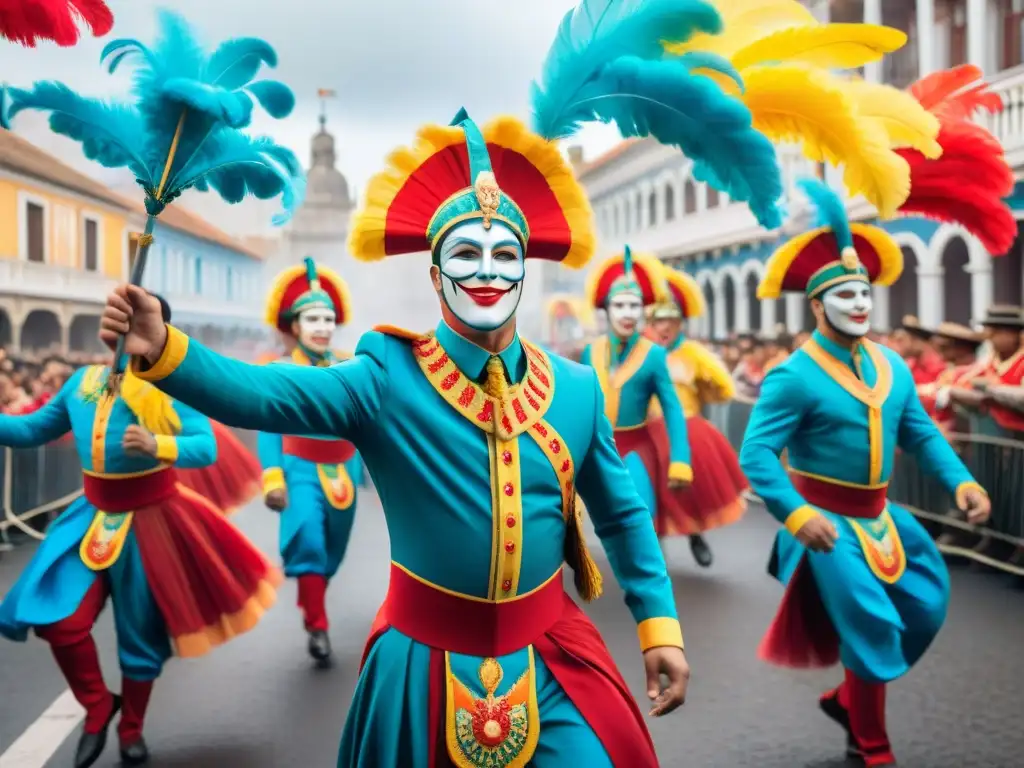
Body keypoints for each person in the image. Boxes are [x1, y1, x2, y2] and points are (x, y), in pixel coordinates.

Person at [101, 111, 691, 765]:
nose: (489, 271)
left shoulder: (577, 390)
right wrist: (164, 351)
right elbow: (266, 396)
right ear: (435, 275)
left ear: (524, 270)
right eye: (466, 254)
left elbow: (623, 515)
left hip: (551, 660)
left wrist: (657, 622)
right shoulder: (387, 376)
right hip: (422, 666)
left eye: (505, 255)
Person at [741, 178, 990, 768]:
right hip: (824, 522)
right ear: (817, 305)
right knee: (872, 626)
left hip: (883, 517)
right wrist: (797, 515)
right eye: (845, 295)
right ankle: (872, 745)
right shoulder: (791, 376)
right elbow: (755, 456)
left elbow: (922, 433)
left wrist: (962, 481)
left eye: (864, 295)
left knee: (926, 604)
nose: (858, 304)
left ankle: (849, 700)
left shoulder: (891, 365)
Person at [0, 295, 280, 768]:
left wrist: (158, 443)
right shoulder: (82, 382)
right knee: (58, 620)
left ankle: (131, 728)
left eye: (133, 319)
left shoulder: (171, 385)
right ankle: (96, 705)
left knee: (140, 637)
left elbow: (206, 446)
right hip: (90, 516)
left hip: (155, 519)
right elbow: (30, 432)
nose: (120, 327)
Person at [258, 256, 362, 664]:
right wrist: (273, 478)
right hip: (299, 469)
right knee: (309, 542)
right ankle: (318, 626)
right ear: (295, 326)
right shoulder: (280, 371)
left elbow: (366, 421)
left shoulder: (352, 367)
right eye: (313, 319)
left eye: (328, 319)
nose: (322, 327)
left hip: (346, 471)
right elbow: (268, 426)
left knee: (331, 553)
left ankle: (313, 597)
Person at [579, 248, 693, 551]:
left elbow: (672, 409)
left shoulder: (654, 355)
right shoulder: (591, 352)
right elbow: (581, 406)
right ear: (606, 309)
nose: (628, 313)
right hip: (599, 448)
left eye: (635, 305)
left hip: (637, 448)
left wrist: (681, 459)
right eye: (619, 305)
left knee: (642, 516)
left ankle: (651, 580)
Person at [648, 268, 748, 567]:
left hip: (686, 427)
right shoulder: (640, 352)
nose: (664, 328)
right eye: (658, 321)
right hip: (647, 431)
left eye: (671, 321)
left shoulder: (694, 353)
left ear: (681, 324)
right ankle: (654, 548)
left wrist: (704, 388)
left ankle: (695, 534)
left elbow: (723, 388)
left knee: (692, 489)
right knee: (648, 492)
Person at [917, 322, 985, 436]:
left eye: (945, 347)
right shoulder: (950, 371)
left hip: (964, 439)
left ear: (961, 349)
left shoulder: (976, 372)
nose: (940, 352)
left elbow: (936, 395)